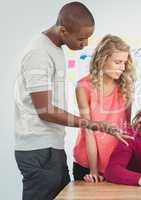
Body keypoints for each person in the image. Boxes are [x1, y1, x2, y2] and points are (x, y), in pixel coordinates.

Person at [14, 2, 132, 200]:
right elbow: (45, 110)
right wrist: (95, 125)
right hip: (39, 150)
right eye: (81, 39)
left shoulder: (55, 49)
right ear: (63, 30)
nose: (85, 44)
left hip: (52, 146)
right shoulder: (39, 53)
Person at [73, 34, 135, 183]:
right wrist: (93, 171)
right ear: (103, 59)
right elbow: (88, 129)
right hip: (88, 163)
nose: (122, 67)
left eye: (124, 63)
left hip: (117, 163)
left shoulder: (125, 86)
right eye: (117, 62)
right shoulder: (83, 86)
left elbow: (127, 129)